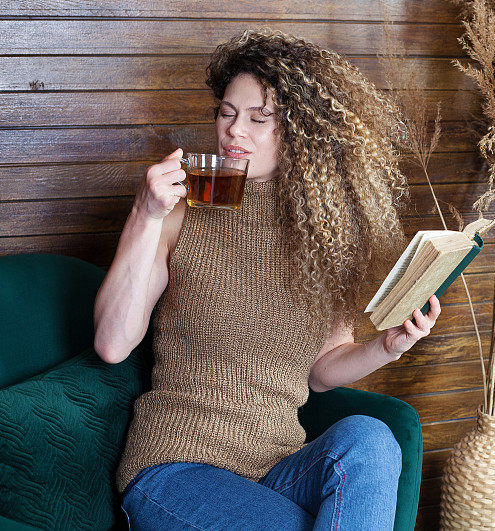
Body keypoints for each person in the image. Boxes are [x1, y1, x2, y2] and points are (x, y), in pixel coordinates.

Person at [93, 28, 440, 530]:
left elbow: (321, 369)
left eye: (259, 118)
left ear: (301, 133)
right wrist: (145, 216)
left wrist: (388, 346)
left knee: (371, 437)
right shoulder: (179, 211)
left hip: (274, 470)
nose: (235, 130)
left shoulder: (322, 234)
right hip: (174, 470)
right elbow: (112, 344)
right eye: (227, 113)